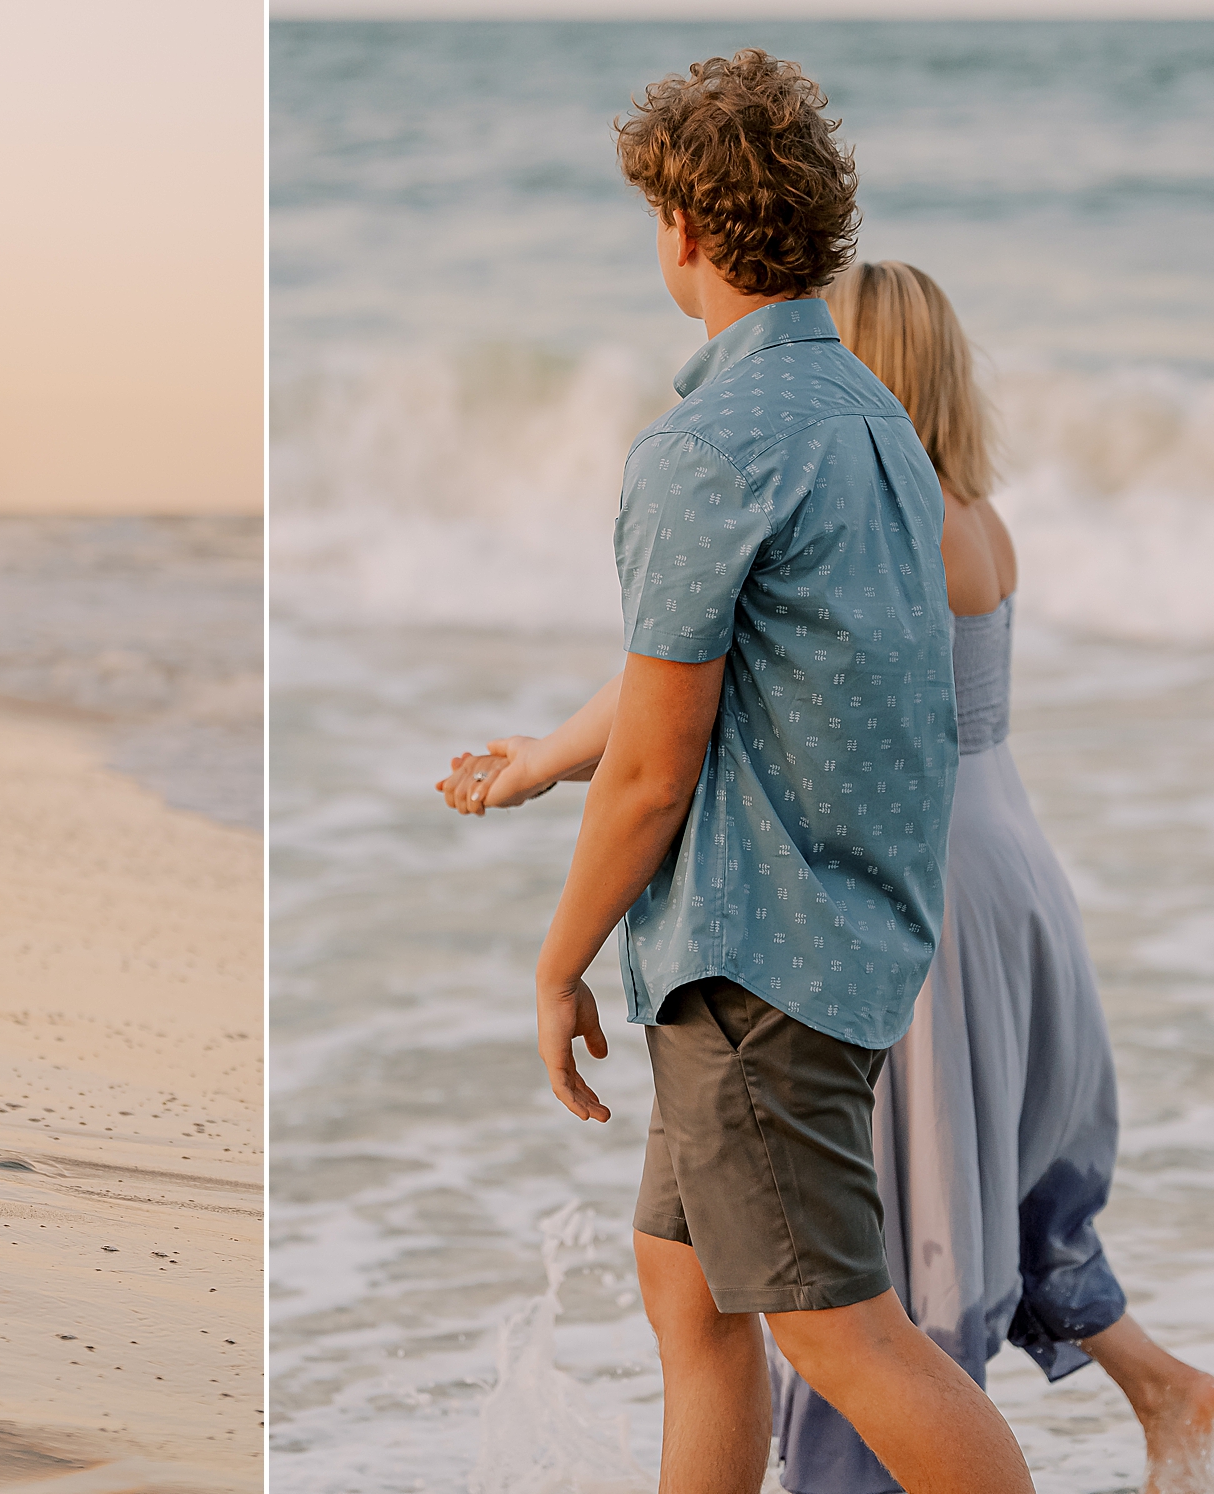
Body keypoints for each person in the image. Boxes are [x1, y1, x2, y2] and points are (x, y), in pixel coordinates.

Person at [436, 52, 1036, 1492]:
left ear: (684, 233)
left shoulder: (706, 443)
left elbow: (655, 765)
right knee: (684, 1284)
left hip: (754, 963)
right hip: (845, 941)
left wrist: (557, 957)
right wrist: (543, 763)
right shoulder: (880, 429)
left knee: (841, 1336)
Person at [759, 262, 1214, 1494]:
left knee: (908, 1221)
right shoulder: (979, 515)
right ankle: (1163, 1388)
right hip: (1009, 853)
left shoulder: (895, 526)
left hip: (935, 882)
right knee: (991, 1188)